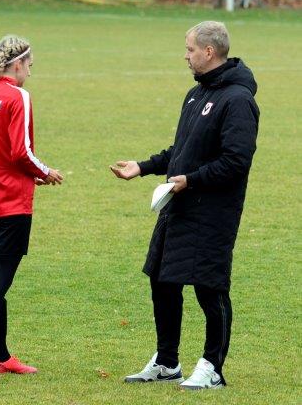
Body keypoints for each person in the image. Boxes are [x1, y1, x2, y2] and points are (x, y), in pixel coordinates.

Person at [111, 21, 259, 390]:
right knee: (162, 280)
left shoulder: (238, 100)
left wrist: (190, 180)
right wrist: (143, 167)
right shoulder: (196, 94)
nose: (186, 56)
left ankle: (212, 367)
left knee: (210, 287)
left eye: (190, 49)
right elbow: (183, 149)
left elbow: (236, 161)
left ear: (209, 51)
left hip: (213, 212)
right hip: (178, 205)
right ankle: (167, 362)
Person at [0, 35, 63, 381]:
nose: (30, 72)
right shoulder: (18, 97)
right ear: (17, 64)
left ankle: (1, 356)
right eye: (30, 65)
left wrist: (18, 172)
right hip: (12, 205)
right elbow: (22, 151)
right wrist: (44, 171)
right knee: (0, 280)